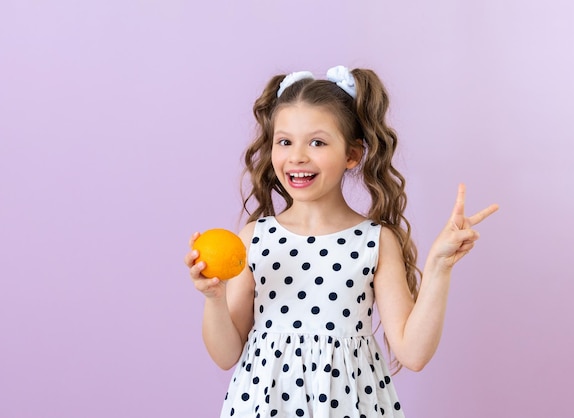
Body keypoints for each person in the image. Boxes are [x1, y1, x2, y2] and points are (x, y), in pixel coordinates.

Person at [184, 65, 499, 417]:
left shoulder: (376, 242)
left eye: (317, 142)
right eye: (284, 141)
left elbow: (413, 353)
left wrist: (440, 266)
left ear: (352, 155)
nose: (297, 156)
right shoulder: (256, 238)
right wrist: (214, 298)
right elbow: (226, 355)